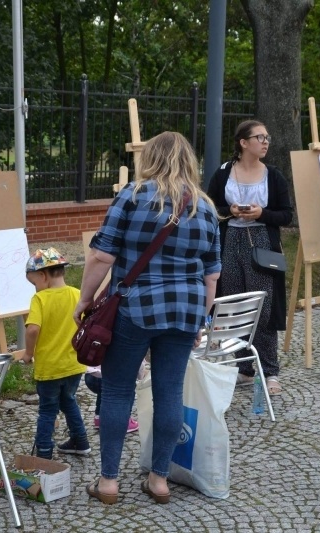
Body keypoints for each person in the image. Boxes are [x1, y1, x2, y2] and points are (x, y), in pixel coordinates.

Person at [74, 131, 220, 505]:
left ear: (149, 158)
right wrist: (201, 320)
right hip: (186, 309)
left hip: (135, 307)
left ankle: (108, 482)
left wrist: (84, 299)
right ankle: (159, 479)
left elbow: (101, 256)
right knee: (169, 392)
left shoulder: (133, 195)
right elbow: (212, 274)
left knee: (119, 389)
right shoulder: (203, 206)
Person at [207, 120, 293, 395]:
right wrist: (230, 210)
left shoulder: (274, 175)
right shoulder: (223, 174)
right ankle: (244, 367)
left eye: (267, 137)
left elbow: (287, 215)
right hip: (230, 241)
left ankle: (270, 372)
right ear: (244, 143)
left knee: (264, 306)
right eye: (260, 137)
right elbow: (209, 208)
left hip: (263, 243)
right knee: (234, 305)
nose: (266, 141)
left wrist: (261, 214)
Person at [23, 247, 91, 460]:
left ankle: (44, 453)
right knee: (69, 400)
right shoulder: (77, 294)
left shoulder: (40, 299)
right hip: (73, 365)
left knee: (47, 410)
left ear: (43, 275)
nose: (35, 289)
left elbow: (33, 328)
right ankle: (81, 442)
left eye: (34, 283)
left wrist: (28, 353)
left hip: (49, 368)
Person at [84, 362, 147, 433]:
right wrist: (140, 376)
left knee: (104, 390)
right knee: (130, 386)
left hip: (91, 376)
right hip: (112, 377)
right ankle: (125, 421)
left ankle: (99, 418)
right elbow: (139, 364)